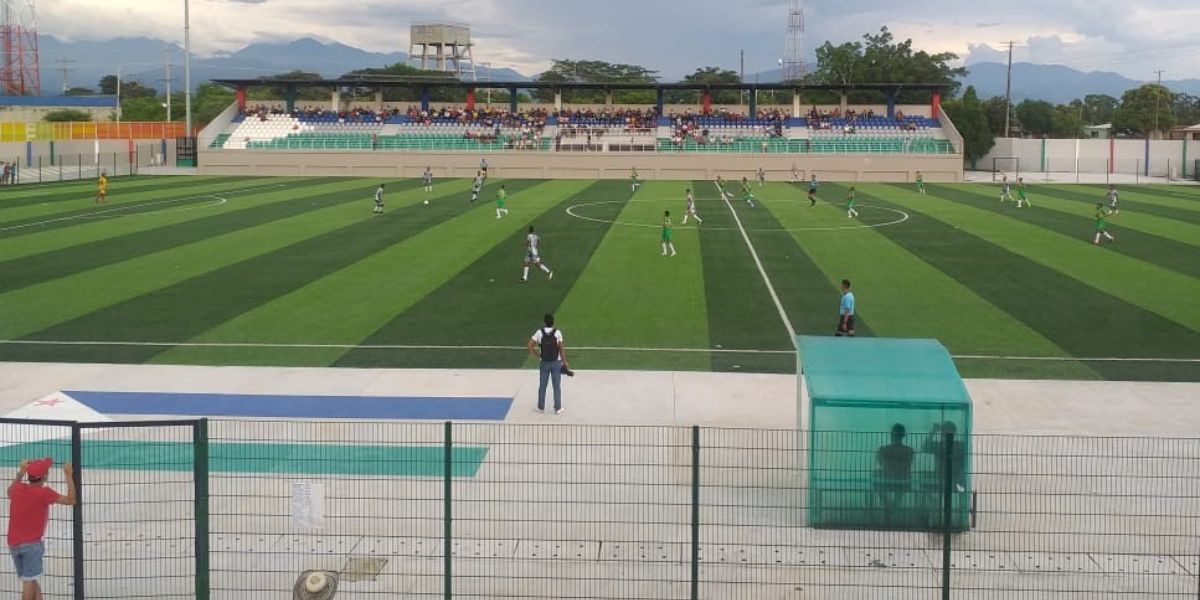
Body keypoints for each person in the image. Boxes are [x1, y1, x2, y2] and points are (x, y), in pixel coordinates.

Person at [7, 458, 76, 600]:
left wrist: (20, 472)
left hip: (14, 544)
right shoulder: (44, 493)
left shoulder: (18, 488)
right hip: (32, 545)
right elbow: (71, 500)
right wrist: (68, 475)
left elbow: (9, 492)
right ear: (44, 476)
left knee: (31, 579)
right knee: (29, 582)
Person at [527, 313, 568, 414]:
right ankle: (557, 408)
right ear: (553, 322)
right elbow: (561, 349)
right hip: (556, 363)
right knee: (556, 386)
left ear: (545, 322)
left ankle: (541, 407)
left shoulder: (539, 332)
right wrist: (564, 362)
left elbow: (529, 345)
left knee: (542, 386)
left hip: (544, 362)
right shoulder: (557, 333)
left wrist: (538, 355)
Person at [875, 424, 915, 525]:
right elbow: (907, 466)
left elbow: (882, 464)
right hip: (903, 482)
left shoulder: (883, 450)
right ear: (903, 435)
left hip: (886, 481)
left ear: (892, 435)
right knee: (901, 480)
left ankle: (888, 505)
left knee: (875, 475)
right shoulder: (909, 451)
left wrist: (891, 464)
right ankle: (895, 507)